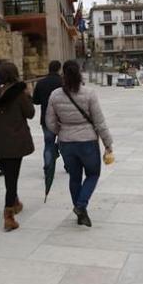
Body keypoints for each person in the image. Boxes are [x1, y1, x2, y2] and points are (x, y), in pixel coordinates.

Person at [46, 60, 113, 228]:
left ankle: (80, 212)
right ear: (79, 73)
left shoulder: (55, 95)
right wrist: (108, 143)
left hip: (66, 142)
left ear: (63, 74)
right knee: (93, 174)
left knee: (74, 177)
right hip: (87, 141)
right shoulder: (89, 93)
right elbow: (99, 121)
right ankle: (81, 205)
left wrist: (61, 130)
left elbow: (50, 122)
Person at [0, 62, 35, 232]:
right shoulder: (19, 93)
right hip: (15, 141)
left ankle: (15, 201)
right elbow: (30, 113)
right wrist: (29, 95)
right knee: (12, 178)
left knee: (9, 175)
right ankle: (8, 215)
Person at [33, 60, 63, 180]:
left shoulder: (41, 83)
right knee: (65, 143)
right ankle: (68, 165)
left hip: (46, 118)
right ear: (59, 69)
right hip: (62, 118)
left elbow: (35, 100)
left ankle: (47, 167)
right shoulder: (62, 82)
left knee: (48, 144)